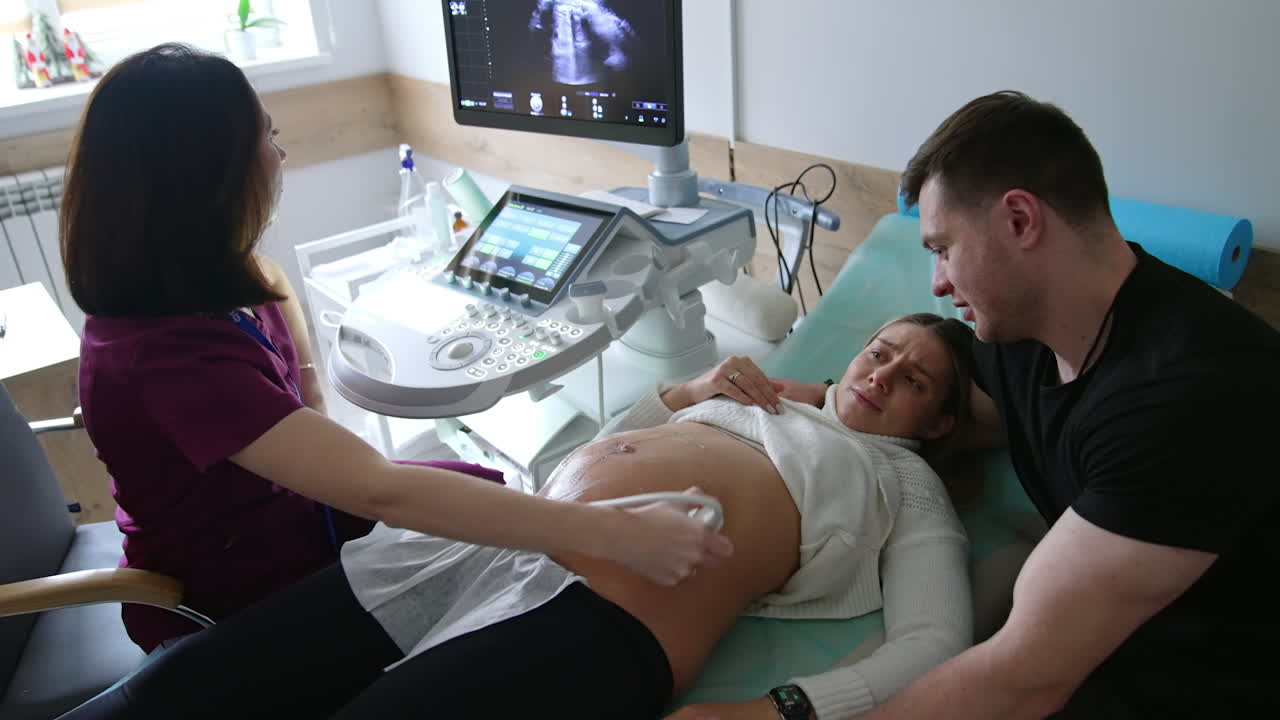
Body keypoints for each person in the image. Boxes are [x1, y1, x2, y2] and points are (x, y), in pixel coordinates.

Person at [60, 43, 731, 653]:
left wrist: (669, 402)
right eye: (267, 135)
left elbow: (317, 420)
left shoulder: (235, 281)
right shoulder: (163, 356)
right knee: (531, 558)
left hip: (295, 522)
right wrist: (617, 535)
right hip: (228, 592)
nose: (280, 154)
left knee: (488, 488)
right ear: (207, 177)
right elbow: (379, 490)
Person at [62, 313, 976, 720]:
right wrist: (681, 393)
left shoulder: (907, 482)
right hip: (485, 545)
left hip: (610, 616)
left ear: (937, 425)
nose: (882, 374)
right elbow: (611, 445)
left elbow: (937, 638)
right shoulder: (758, 398)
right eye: (881, 350)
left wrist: (782, 711)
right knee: (194, 686)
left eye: (914, 381)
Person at [766, 91, 1280, 719]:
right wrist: (789, 396)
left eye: (942, 248)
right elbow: (924, 409)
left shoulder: (1188, 397)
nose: (938, 283)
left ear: (1018, 220)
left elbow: (1022, 679)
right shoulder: (1022, 342)